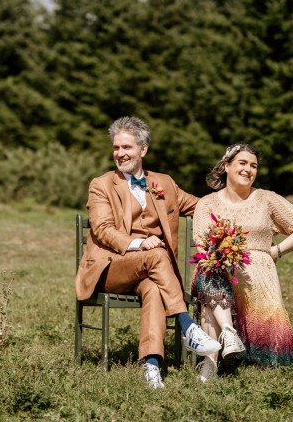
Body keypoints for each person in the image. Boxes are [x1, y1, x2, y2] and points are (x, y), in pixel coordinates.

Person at [75, 116, 221, 389]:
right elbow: (104, 229)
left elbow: (200, 206)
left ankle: (151, 367)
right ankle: (187, 325)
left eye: (127, 147)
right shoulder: (101, 184)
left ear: (143, 150)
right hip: (112, 268)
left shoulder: (164, 182)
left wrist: (237, 202)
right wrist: (139, 243)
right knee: (157, 253)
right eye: (116, 147)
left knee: (154, 288)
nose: (120, 153)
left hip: (152, 271)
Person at [191, 143, 293, 382]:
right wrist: (224, 257)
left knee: (210, 288)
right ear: (226, 166)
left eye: (254, 165)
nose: (249, 169)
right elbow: (202, 245)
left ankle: (213, 358)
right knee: (209, 275)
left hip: (259, 277)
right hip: (221, 273)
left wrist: (277, 250)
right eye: (243, 163)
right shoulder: (206, 203)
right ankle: (220, 348)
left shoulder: (266, 199)